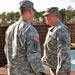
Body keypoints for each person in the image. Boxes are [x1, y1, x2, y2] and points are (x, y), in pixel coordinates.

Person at [4, 0, 46, 75]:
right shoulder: (29, 29)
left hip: (12, 71)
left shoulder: (10, 28)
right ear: (30, 11)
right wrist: (40, 72)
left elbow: (6, 50)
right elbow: (33, 55)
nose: (34, 14)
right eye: (33, 12)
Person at [42, 7, 71, 75]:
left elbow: (64, 51)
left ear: (52, 16)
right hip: (54, 68)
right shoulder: (53, 29)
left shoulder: (61, 29)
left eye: (46, 15)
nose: (45, 18)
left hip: (60, 70)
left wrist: (61, 71)